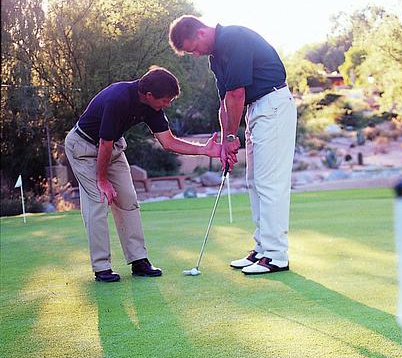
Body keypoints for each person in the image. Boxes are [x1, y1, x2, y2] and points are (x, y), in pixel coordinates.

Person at [65, 66, 237, 282]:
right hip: (83, 148)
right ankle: (102, 267)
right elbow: (104, 143)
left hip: (112, 148)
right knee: (99, 202)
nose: (168, 104)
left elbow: (168, 142)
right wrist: (102, 180)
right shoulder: (117, 98)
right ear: (148, 95)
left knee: (128, 199)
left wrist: (204, 150)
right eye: (165, 100)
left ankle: (139, 260)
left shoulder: (152, 107)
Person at [169, 16, 297, 275]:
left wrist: (230, 138)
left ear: (201, 32)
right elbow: (225, 101)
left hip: (273, 105)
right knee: (253, 181)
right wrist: (227, 140)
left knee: (269, 183)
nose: (194, 54)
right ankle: (262, 248)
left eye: (192, 47)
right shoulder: (215, 57)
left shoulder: (234, 38)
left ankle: (276, 255)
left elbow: (237, 93)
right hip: (256, 111)